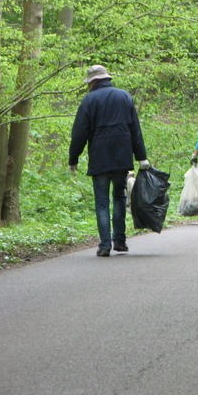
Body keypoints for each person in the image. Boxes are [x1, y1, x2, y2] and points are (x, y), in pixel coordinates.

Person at [68, 65, 150, 257]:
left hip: (100, 156)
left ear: (93, 81)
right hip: (122, 154)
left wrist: (73, 158)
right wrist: (141, 157)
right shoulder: (124, 96)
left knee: (102, 202)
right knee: (119, 197)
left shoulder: (89, 100)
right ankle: (120, 242)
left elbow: (80, 132)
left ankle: (105, 245)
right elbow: (134, 129)